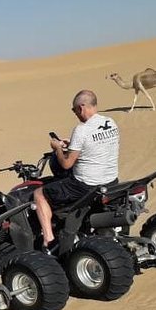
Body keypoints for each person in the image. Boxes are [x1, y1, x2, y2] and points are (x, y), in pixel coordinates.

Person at [33, 89, 119, 250]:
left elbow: (66, 164)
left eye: (74, 110)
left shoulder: (82, 129)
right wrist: (73, 144)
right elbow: (96, 148)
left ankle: (48, 239)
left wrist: (58, 148)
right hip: (111, 181)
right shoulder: (110, 122)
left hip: (84, 186)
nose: (75, 114)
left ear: (81, 107)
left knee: (39, 194)